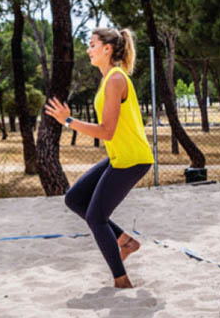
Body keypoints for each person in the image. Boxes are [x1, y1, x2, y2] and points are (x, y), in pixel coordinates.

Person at [43, 27, 155, 288]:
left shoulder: (116, 79)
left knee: (96, 217)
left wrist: (67, 120)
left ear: (108, 49)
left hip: (132, 159)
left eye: (92, 44)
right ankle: (126, 242)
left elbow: (107, 130)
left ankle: (122, 280)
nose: (88, 49)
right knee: (74, 199)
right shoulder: (109, 80)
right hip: (121, 157)